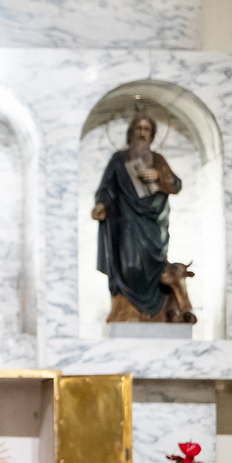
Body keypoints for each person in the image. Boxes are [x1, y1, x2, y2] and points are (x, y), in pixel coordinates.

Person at [92, 114, 181, 322]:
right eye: (138, 129)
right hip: (127, 223)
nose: (142, 133)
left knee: (155, 268)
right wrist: (101, 205)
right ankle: (126, 311)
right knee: (129, 265)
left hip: (153, 225)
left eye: (146, 129)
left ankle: (155, 313)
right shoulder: (119, 159)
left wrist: (159, 176)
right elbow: (106, 188)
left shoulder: (158, 160)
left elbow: (177, 185)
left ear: (152, 135)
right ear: (131, 133)